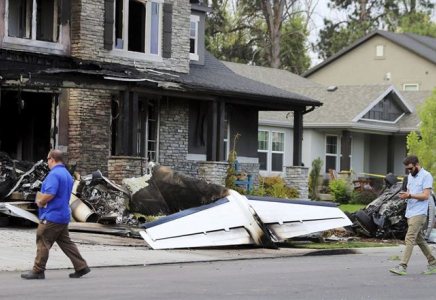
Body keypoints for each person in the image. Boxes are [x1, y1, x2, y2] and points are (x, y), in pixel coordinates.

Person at [21, 150, 91, 279]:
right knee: (66, 242)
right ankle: (81, 266)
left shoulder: (54, 174)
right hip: (63, 215)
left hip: (52, 215)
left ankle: (38, 271)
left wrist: (41, 202)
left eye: (48, 159)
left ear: (52, 159)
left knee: (42, 240)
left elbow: (50, 193)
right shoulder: (66, 174)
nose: (47, 162)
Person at [389, 155, 436, 276]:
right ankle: (433, 263)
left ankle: (402, 266)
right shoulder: (410, 176)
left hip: (419, 213)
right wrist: (405, 194)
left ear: (417, 165)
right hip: (410, 211)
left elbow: (426, 196)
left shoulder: (426, 176)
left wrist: (410, 196)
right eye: (407, 169)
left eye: (410, 168)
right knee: (420, 239)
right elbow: (410, 192)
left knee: (409, 237)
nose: (409, 171)